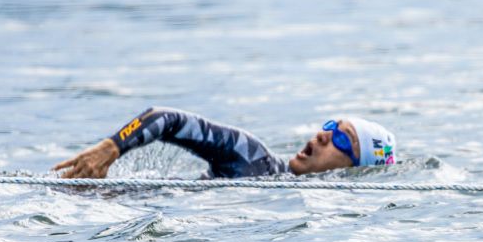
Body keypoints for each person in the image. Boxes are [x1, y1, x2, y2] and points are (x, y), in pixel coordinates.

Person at [53, 106, 396, 179]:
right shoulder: (253, 157)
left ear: (354, 170)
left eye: (341, 137)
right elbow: (166, 118)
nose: (322, 134)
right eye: (330, 125)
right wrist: (111, 148)